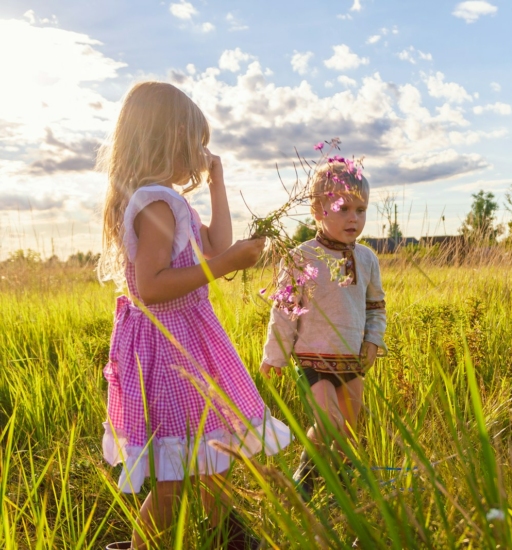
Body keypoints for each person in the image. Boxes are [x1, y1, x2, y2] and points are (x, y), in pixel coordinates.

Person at [98, 81, 291, 549]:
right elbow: (151, 286)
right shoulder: (155, 201)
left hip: (185, 339)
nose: (203, 152)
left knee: (211, 460)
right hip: (169, 347)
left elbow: (216, 245)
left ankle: (225, 536)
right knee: (172, 483)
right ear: (168, 139)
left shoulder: (169, 199)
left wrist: (217, 185)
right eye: (196, 141)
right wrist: (225, 267)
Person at [260, 161, 386, 499]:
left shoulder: (367, 259)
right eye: (343, 208)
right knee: (328, 420)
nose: (354, 219)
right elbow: (284, 310)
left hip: (352, 360)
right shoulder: (301, 257)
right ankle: (306, 479)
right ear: (317, 209)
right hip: (312, 357)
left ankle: (338, 488)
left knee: (347, 428)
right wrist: (274, 355)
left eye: (361, 210)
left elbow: (375, 306)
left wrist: (373, 340)